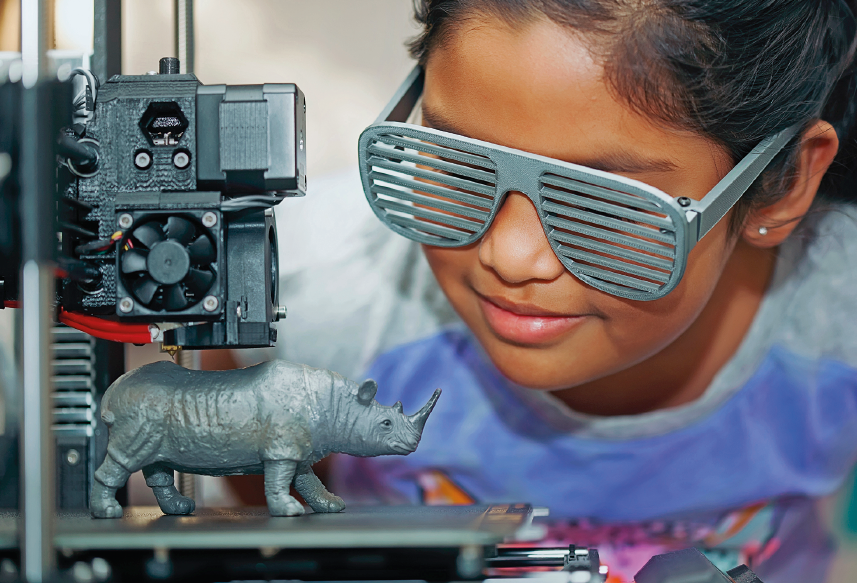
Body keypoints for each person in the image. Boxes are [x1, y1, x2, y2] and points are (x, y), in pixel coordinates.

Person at [222, 1, 857, 581]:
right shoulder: (297, 289)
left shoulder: (839, 318)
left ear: (784, 183)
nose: (510, 256)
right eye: (458, 161)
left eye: (599, 200)